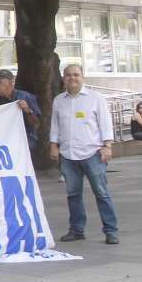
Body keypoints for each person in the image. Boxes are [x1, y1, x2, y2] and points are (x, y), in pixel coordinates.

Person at [50, 64, 119, 244]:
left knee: (102, 193)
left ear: (83, 77)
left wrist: (108, 146)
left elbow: (105, 123)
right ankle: (76, 230)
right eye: (68, 75)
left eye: (76, 75)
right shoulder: (59, 100)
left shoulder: (95, 98)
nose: (72, 78)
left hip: (93, 153)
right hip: (68, 154)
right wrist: (53, 145)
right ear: (63, 78)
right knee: (73, 195)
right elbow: (55, 125)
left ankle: (111, 231)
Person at [0, 69, 41, 146]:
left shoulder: (25, 97)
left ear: (11, 82)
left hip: (22, 146)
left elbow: (36, 124)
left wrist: (27, 110)